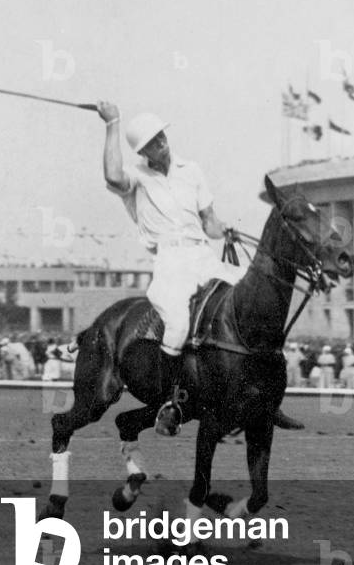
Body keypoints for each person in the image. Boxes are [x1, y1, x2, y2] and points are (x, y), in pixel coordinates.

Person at [97, 102, 254, 434]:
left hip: (204, 256)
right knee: (179, 325)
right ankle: (169, 404)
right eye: (152, 143)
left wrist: (224, 229)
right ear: (143, 151)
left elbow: (209, 222)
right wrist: (112, 123)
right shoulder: (136, 178)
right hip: (170, 264)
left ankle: (248, 393)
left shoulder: (191, 170)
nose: (161, 144)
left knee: (251, 292)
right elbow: (112, 174)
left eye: (162, 136)